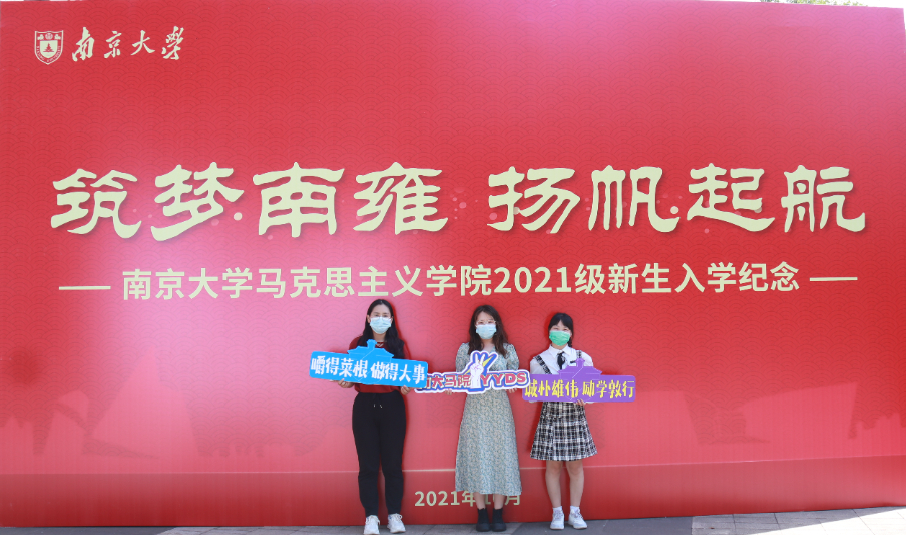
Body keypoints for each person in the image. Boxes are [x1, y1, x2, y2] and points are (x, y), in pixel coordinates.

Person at [338, 299, 411, 535]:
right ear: (368, 318)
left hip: (392, 406)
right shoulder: (357, 344)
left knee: (393, 464)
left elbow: (408, 379)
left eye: (385, 315)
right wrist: (345, 382)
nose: (381, 319)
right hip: (364, 406)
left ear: (391, 320)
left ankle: (394, 516)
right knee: (367, 466)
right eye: (376, 314)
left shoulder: (398, 346)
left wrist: (407, 387)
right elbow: (350, 378)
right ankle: (371, 517)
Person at [452, 304, 522, 532]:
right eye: (480, 322)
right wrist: (450, 385)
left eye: (489, 321)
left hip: (500, 411)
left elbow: (516, 376)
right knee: (477, 457)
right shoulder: (466, 350)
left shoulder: (507, 350)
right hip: (475, 411)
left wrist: (512, 384)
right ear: (474, 325)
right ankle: (481, 513)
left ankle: (498, 513)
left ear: (497, 324)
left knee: (502, 456)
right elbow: (458, 378)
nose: (485, 325)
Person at [529, 312, 597, 530]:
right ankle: (557, 513)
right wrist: (540, 390)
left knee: (575, 467)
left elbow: (593, 393)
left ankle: (575, 512)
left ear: (571, 333)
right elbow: (532, 396)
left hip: (574, 417)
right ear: (549, 332)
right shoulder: (538, 361)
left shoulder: (583, 358)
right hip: (551, 417)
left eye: (565, 329)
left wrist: (585, 398)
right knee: (553, 467)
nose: (560, 332)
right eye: (556, 328)